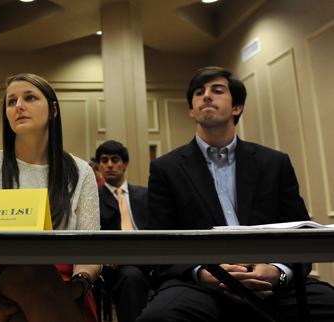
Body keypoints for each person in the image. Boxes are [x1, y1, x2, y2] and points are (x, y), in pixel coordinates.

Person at [138, 66, 334, 321]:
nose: (207, 95)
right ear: (191, 110)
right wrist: (205, 273)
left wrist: (277, 271)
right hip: (201, 283)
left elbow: (300, 236)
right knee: (159, 317)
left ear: (237, 107)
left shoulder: (274, 163)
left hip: (269, 279)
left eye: (217, 90)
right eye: (199, 92)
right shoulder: (166, 168)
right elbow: (161, 245)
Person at [0, 73, 101, 322]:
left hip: (65, 281)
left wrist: (80, 285)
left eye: (30, 97)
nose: (19, 106)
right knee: (26, 267)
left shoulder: (80, 172)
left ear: (53, 110)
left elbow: (90, 249)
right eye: (11, 101)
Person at [95, 140, 150, 322]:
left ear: (125, 164)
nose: (109, 165)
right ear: (98, 166)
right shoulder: (94, 198)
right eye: (104, 160)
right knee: (131, 276)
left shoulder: (146, 195)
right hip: (115, 265)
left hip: (151, 258)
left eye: (115, 159)